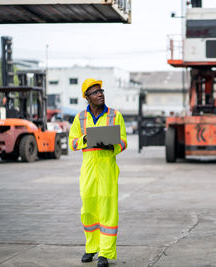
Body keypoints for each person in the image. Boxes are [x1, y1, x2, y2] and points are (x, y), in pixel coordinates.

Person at [69, 78, 127, 267]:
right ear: (87, 97)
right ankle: (91, 247)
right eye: (95, 92)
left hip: (107, 168)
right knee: (88, 210)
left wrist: (113, 145)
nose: (100, 94)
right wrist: (86, 139)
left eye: (101, 91)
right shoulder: (80, 118)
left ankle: (105, 253)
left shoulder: (115, 115)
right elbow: (72, 143)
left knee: (108, 211)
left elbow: (124, 141)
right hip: (88, 169)